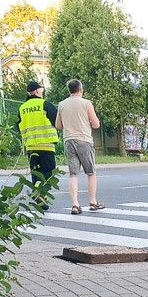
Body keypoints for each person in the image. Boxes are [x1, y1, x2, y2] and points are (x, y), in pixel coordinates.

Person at [56, 79, 104, 214]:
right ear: (81, 89)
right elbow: (96, 124)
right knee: (91, 172)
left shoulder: (61, 104)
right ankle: (93, 201)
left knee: (73, 174)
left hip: (69, 141)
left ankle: (75, 204)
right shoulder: (86, 103)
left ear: (69, 90)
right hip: (84, 140)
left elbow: (58, 125)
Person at [17, 81, 59, 207]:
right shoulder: (45, 104)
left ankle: (42, 203)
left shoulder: (22, 108)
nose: (42, 91)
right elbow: (57, 121)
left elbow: (18, 126)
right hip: (46, 145)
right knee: (49, 173)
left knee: (36, 172)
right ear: (36, 91)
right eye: (41, 89)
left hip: (30, 147)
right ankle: (37, 192)